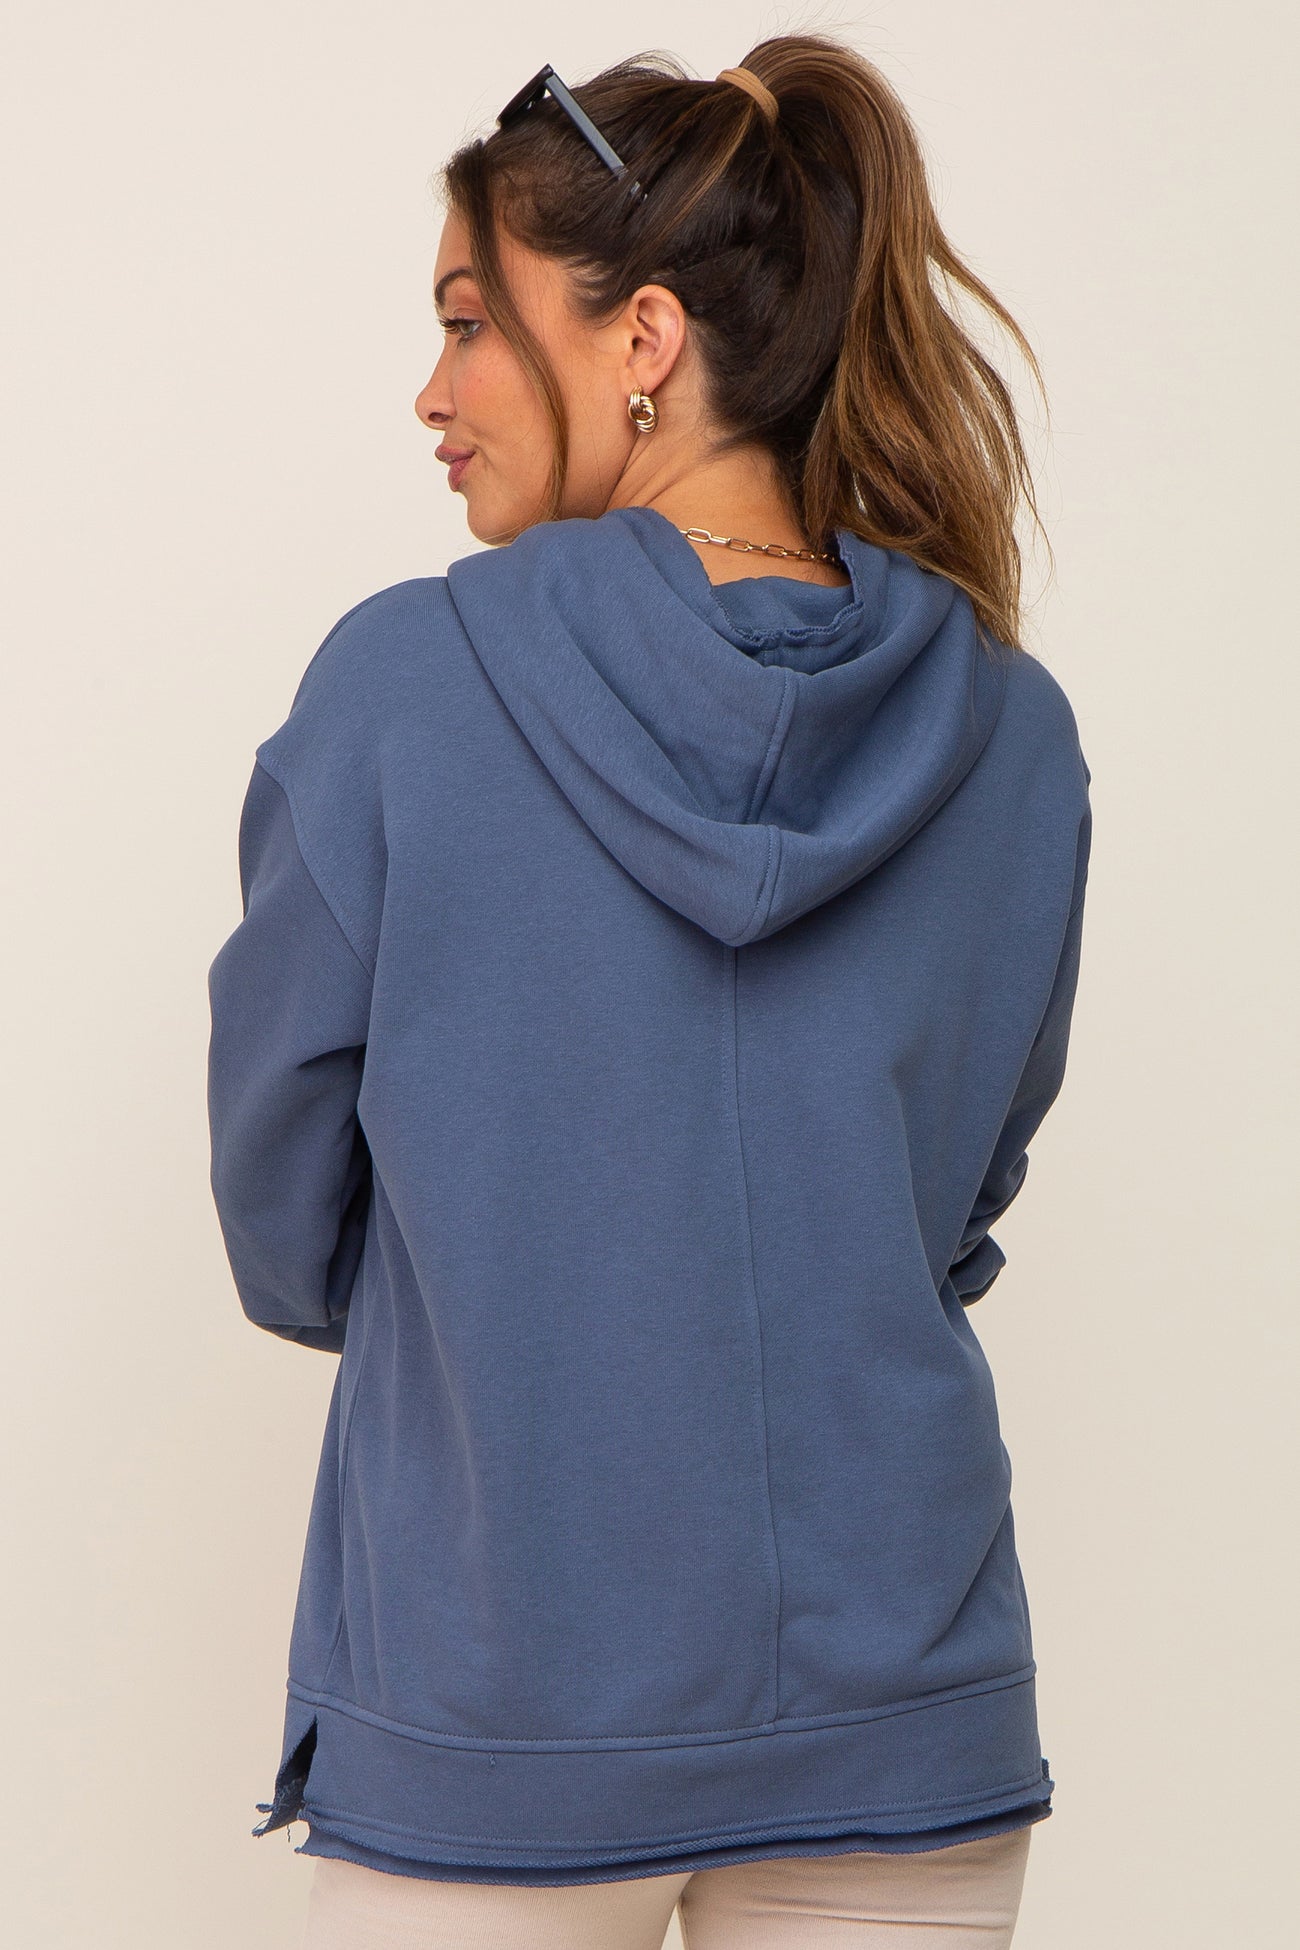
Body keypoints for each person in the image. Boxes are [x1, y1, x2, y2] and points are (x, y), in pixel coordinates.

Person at [205, 33, 1092, 1950]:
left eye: (468, 322)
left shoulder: (402, 693)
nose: (431, 390)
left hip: (501, 1712)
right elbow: (955, 1197)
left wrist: (512, 1311)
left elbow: (282, 1212)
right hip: (906, 1719)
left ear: (646, 340)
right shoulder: (1010, 732)